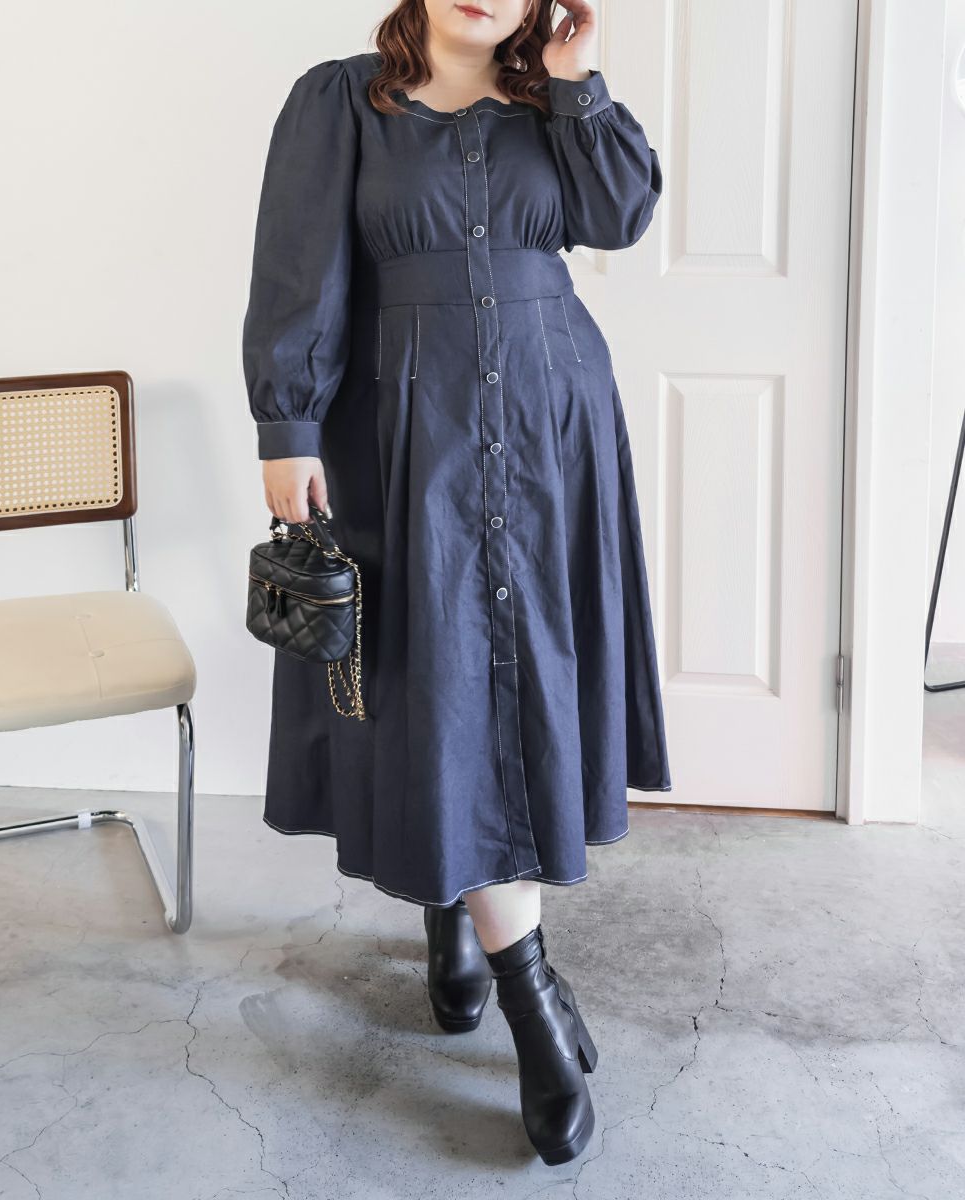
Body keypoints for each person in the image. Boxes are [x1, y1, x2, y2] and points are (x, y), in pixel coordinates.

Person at [241, 0, 671, 1166]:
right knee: (438, 686)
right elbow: (297, 267)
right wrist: (287, 425)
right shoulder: (342, 101)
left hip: (549, 431)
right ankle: (534, 1004)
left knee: (514, 689)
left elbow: (618, 217)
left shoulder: (554, 104)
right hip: (404, 436)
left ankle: (460, 917)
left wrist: (578, 82)